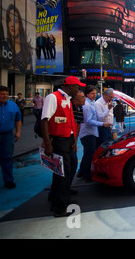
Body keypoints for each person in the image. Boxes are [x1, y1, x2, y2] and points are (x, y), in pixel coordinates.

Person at [41, 76, 84, 217]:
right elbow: (44, 120)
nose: (78, 89)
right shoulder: (53, 98)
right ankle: (60, 207)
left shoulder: (67, 100)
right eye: (77, 87)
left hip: (67, 140)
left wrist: (73, 139)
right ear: (71, 86)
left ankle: (59, 201)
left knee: (64, 172)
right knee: (62, 174)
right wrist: (48, 143)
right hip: (59, 141)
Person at [78, 86, 111, 181]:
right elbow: (89, 120)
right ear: (87, 94)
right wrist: (102, 124)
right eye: (92, 93)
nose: (94, 95)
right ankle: (87, 174)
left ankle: (82, 171)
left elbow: (97, 117)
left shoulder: (91, 103)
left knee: (88, 154)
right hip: (88, 133)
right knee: (90, 154)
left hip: (91, 132)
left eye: (95, 93)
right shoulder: (87, 105)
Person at [0, 86, 21, 189]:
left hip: (7, 135)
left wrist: (18, 131)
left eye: (6, 94)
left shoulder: (13, 105)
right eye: (2, 94)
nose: (5, 95)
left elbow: (18, 119)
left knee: (7, 158)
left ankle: (8, 180)